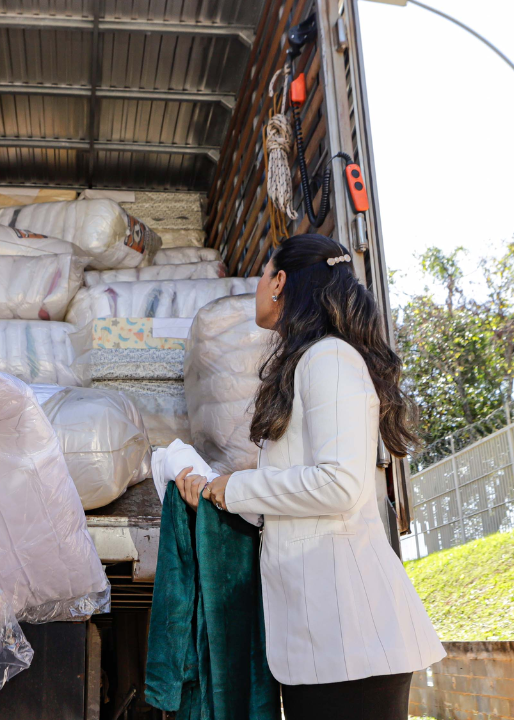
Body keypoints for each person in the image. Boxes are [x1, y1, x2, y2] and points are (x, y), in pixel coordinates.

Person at [174, 233, 444, 720]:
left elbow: (338, 484)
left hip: (354, 641)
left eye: (262, 274)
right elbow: (298, 492)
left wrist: (237, 488)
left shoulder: (330, 358)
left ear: (280, 282)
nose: (258, 285)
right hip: (322, 643)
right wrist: (219, 495)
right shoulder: (310, 361)